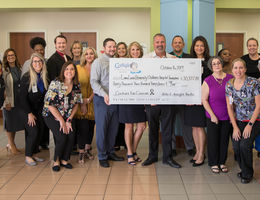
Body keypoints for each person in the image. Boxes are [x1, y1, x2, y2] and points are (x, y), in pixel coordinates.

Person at [142, 33, 181, 168]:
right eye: (157, 42)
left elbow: (178, 79)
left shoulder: (173, 59)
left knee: (167, 130)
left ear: (166, 43)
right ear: (154, 44)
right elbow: (142, 80)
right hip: (151, 101)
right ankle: (152, 156)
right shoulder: (145, 58)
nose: (160, 44)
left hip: (168, 100)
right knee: (152, 129)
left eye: (162, 42)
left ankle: (167, 158)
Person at [90, 38, 124, 168]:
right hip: (102, 99)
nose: (112, 49)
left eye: (114, 47)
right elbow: (94, 82)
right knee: (102, 129)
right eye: (109, 47)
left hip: (116, 99)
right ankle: (102, 155)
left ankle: (110, 152)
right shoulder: (98, 62)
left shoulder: (118, 62)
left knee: (113, 128)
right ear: (104, 48)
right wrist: (105, 95)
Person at [43, 61, 82, 171]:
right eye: (67, 69)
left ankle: (65, 159)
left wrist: (69, 119)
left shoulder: (76, 85)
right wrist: (61, 120)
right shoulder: (56, 83)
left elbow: (76, 104)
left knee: (71, 135)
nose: (69, 71)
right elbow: (50, 105)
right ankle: (56, 160)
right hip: (51, 114)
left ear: (75, 72)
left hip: (67, 115)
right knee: (61, 135)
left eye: (72, 69)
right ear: (63, 71)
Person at [225, 58, 260, 184]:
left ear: (245, 69)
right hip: (239, 120)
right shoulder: (229, 85)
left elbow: (258, 105)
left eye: (241, 68)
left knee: (245, 144)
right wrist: (234, 127)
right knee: (236, 145)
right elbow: (229, 107)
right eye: (235, 68)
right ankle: (244, 168)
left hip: (255, 119)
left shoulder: (253, 82)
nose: (238, 70)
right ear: (232, 70)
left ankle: (247, 173)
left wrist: (250, 125)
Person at [202, 56, 233, 173]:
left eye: (218, 63)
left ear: (222, 64)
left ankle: (222, 162)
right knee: (213, 140)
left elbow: (234, 97)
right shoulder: (208, 80)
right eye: (214, 64)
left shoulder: (231, 78)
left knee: (224, 140)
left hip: (227, 115)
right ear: (211, 66)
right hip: (212, 116)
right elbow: (204, 100)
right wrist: (212, 115)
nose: (217, 65)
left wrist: (233, 113)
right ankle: (213, 162)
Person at [184, 35, 212, 167]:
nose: (199, 48)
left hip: (202, 99)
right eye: (197, 46)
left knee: (200, 127)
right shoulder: (189, 61)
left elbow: (211, 82)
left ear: (205, 47)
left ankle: (201, 153)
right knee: (194, 127)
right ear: (193, 47)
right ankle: (197, 151)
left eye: (201, 45)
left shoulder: (210, 62)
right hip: (190, 99)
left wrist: (202, 97)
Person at [118, 41, 146, 165]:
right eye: (133, 50)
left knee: (142, 126)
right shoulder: (124, 64)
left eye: (137, 50)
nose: (135, 52)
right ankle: (130, 153)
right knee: (129, 126)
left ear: (141, 51)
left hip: (140, 99)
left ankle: (133, 150)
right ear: (129, 51)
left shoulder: (145, 64)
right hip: (127, 99)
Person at [20, 53, 48, 165]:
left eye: (39, 61)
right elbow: (22, 98)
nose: (37, 63)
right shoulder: (26, 77)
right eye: (35, 61)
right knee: (33, 131)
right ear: (31, 64)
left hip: (38, 109)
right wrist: (29, 113)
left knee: (40, 130)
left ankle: (34, 154)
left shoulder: (44, 77)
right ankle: (28, 156)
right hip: (26, 110)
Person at [169, 35, 195, 157]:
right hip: (169, 97)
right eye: (175, 42)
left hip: (185, 97)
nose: (178, 44)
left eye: (180, 42)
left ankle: (189, 147)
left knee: (187, 123)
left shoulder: (190, 58)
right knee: (170, 123)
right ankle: (172, 147)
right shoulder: (166, 57)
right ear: (172, 45)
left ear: (183, 45)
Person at [75, 47, 97, 163]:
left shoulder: (97, 68)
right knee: (82, 127)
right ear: (84, 56)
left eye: (91, 54)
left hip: (93, 102)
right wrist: (82, 101)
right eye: (86, 54)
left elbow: (99, 85)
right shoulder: (78, 68)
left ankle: (88, 149)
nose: (89, 56)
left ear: (95, 55)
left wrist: (89, 99)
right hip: (80, 102)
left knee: (90, 127)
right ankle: (81, 152)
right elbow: (75, 86)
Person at [2, 48, 24, 154]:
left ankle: (11, 144)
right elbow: (3, 88)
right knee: (9, 123)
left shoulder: (19, 68)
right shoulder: (4, 70)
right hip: (9, 101)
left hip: (18, 100)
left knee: (15, 123)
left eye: (12, 55)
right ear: (6, 58)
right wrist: (6, 102)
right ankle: (11, 145)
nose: (11, 57)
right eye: (8, 56)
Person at [241, 38, 260, 158]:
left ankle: (259, 148)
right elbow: (240, 74)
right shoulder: (243, 59)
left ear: (257, 46)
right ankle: (248, 145)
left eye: (254, 45)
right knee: (250, 120)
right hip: (248, 95)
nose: (252, 47)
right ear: (247, 47)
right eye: (249, 45)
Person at [114, 42, 127, 151]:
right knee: (117, 120)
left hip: (127, 95)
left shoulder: (129, 61)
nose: (121, 50)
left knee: (126, 121)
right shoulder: (112, 62)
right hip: (117, 94)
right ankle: (117, 142)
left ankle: (126, 142)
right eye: (119, 48)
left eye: (123, 48)